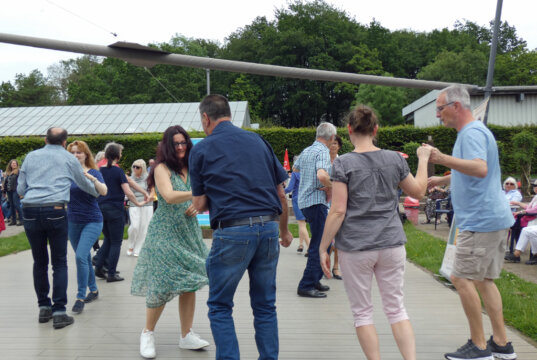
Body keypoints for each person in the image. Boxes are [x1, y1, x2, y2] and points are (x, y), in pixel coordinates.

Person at [319, 104, 431, 360]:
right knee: (396, 310)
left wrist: (323, 247)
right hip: (391, 244)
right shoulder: (395, 159)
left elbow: (337, 211)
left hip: (356, 247)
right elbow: (418, 191)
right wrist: (423, 160)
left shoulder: (343, 164)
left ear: (348, 130)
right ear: (376, 129)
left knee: (362, 313)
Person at [189, 94, 293, 360]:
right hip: (269, 228)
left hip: (233, 231)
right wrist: (284, 230)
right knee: (265, 305)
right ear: (229, 114)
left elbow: (199, 204)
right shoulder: (258, 141)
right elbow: (281, 195)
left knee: (220, 306)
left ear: (205, 118)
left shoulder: (200, 150)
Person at [425, 85, 516, 360]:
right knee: (484, 280)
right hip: (492, 218)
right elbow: (472, 168)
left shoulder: (472, 133)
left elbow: (479, 167)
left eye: (440, 108)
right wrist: (444, 178)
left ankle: (478, 347)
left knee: (460, 277)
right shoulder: (474, 132)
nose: (438, 115)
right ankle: (501, 344)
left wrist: (439, 158)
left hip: (480, 220)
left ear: (455, 106)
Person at [132, 126, 210, 358]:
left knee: (190, 283)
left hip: (188, 233)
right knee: (161, 284)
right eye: (175, 143)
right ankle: (147, 332)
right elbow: (168, 195)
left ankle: (186, 335)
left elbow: (205, 197)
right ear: (167, 146)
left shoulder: (193, 167)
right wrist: (198, 193)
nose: (180, 147)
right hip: (164, 232)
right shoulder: (161, 168)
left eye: (183, 142)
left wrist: (200, 203)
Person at [17, 127, 101, 329]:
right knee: (59, 263)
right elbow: (82, 183)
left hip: (29, 210)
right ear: (64, 142)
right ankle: (59, 312)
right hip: (55, 209)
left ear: (45, 139)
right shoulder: (68, 158)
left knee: (39, 261)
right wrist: (96, 191)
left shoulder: (30, 156)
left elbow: (20, 188)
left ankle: (44, 308)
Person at [294, 122, 337, 298]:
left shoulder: (307, 150)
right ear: (332, 138)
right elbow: (321, 175)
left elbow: (295, 168)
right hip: (316, 202)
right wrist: (331, 186)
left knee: (321, 243)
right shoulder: (323, 152)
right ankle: (306, 284)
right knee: (321, 244)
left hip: (305, 201)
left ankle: (315, 279)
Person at [66, 140, 108, 314]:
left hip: (92, 220)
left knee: (81, 256)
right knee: (82, 258)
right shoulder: (66, 174)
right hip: (73, 221)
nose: (76, 155)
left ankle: (80, 297)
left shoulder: (94, 172)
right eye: (73, 152)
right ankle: (94, 289)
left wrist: (90, 178)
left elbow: (103, 191)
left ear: (86, 155)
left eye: (79, 152)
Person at [94, 143, 143, 283]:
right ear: (117, 155)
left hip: (101, 207)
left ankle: (98, 267)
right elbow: (127, 191)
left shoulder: (99, 170)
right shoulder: (118, 171)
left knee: (108, 239)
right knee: (116, 242)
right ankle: (111, 273)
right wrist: (137, 203)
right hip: (115, 208)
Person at [126, 159, 154, 257]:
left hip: (147, 204)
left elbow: (152, 190)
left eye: (137, 167)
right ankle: (131, 245)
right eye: (133, 166)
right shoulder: (129, 179)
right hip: (134, 203)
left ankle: (138, 248)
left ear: (142, 168)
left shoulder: (148, 178)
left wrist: (149, 197)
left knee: (144, 228)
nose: (135, 168)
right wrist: (126, 201)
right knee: (134, 226)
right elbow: (126, 191)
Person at [284, 157, 310, 254]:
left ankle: (309, 247)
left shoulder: (295, 174)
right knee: (302, 223)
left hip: (297, 199)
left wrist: (280, 192)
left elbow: (290, 188)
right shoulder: (307, 173)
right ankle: (301, 245)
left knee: (301, 224)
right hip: (307, 199)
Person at [329, 135, 343, 280]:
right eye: (331, 143)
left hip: (338, 200)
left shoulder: (342, 161)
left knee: (338, 236)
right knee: (325, 236)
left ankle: (336, 266)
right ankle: (325, 261)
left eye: (335, 143)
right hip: (324, 202)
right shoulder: (322, 160)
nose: (333, 146)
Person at [4, 159, 23, 226]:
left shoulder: (19, 172)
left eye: (15, 163)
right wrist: (4, 190)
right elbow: (6, 182)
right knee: (11, 206)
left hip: (16, 190)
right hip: (9, 191)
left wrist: (21, 192)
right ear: (10, 165)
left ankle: (21, 220)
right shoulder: (8, 173)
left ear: (17, 165)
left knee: (16, 205)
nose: (14, 164)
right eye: (12, 163)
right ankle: (13, 220)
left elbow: (21, 182)